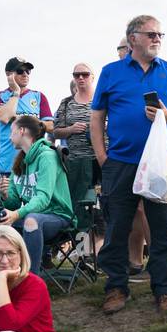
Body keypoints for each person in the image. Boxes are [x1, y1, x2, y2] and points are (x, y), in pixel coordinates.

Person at [92, 14, 167, 316]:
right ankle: (115, 287)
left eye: (160, 35)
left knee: (162, 229)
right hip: (121, 162)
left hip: (160, 165)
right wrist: (103, 157)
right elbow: (97, 117)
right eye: (151, 34)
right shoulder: (111, 72)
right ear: (133, 37)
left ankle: (164, 289)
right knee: (116, 228)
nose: (157, 40)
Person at [0, 116, 76, 276]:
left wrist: (17, 214)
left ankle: (29, 278)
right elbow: (13, 203)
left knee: (31, 220)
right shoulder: (19, 161)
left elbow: (43, 198)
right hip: (34, 216)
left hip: (58, 216)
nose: (9, 137)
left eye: (12, 132)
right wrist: (5, 195)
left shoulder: (47, 156)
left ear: (22, 131)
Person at [0, 56, 54, 176]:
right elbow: (5, 117)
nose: (25, 74)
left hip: (35, 163)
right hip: (7, 165)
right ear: (9, 74)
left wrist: (27, 121)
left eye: (28, 71)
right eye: (20, 71)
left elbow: (51, 126)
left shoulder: (39, 96)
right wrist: (16, 92)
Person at [53, 63, 97, 230]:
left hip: (103, 159)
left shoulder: (103, 99)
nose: (80, 78)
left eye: (85, 74)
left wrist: (103, 126)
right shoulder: (66, 103)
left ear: (92, 77)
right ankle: (83, 252)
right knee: (79, 207)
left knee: (108, 205)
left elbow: (120, 124)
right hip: (77, 162)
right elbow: (55, 132)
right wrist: (70, 130)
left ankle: (107, 250)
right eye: (76, 74)